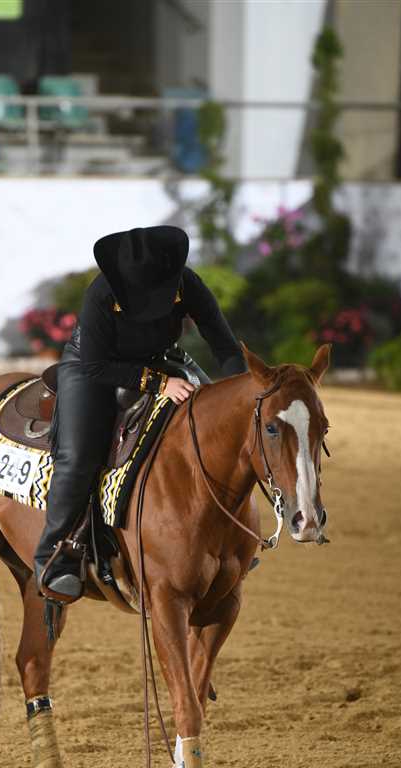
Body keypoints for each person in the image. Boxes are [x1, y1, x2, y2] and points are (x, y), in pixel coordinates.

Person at [34, 225, 247, 599]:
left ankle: (229, 538)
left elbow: (224, 344)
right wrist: (160, 384)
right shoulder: (101, 293)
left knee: (218, 428)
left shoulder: (187, 283)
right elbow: (96, 365)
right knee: (79, 455)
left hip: (161, 358)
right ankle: (53, 556)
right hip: (93, 365)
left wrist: (244, 391)